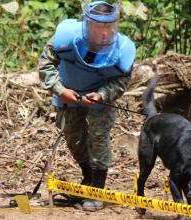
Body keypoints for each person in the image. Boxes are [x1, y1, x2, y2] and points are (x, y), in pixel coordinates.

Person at [38, 0, 135, 211]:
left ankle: (97, 190)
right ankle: (88, 177)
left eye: (109, 27)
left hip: (99, 98)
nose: (104, 33)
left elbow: (121, 80)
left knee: (98, 139)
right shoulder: (65, 37)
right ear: (87, 24)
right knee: (72, 137)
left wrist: (101, 95)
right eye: (99, 26)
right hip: (67, 93)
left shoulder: (123, 49)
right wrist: (60, 90)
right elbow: (46, 64)